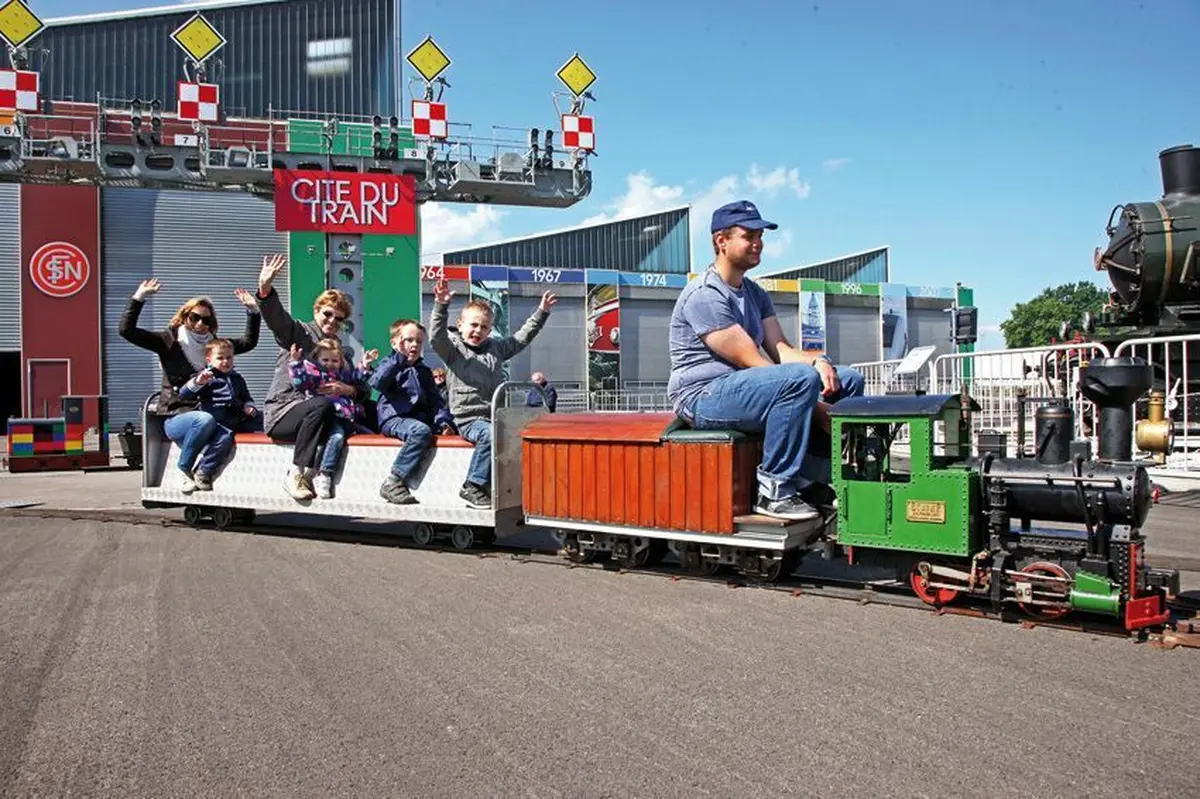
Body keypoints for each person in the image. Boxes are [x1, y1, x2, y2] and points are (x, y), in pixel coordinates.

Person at [666, 200, 865, 522]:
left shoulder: (755, 294)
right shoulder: (704, 294)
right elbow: (752, 360)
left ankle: (809, 478)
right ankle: (774, 491)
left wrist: (821, 362)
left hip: (746, 389)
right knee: (799, 379)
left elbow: (781, 349)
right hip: (703, 396)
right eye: (749, 235)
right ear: (721, 240)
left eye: (761, 236)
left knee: (847, 378)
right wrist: (815, 406)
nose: (758, 243)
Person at [118, 278, 261, 491]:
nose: (201, 324)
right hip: (178, 416)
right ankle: (184, 469)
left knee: (259, 418)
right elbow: (126, 331)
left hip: (214, 414)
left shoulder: (215, 348)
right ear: (185, 317)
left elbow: (248, 342)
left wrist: (253, 310)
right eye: (195, 318)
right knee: (204, 420)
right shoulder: (168, 341)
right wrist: (139, 297)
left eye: (207, 320)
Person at [430, 277, 557, 509]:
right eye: (473, 325)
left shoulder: (496, 349)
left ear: (490, 330)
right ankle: (472, 485)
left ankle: (524, 487)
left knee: (525, 436)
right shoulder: (453, 352)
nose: (478, 330)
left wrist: (541, 313)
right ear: (460, 325)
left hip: (495, 416)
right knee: (490, 435)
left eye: (484, 327)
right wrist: (440, 305)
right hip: (469, 419)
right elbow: (436, 336)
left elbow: (522, 337)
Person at [255, 253, 366, 500]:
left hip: (324, 416)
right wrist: (265, 290)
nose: (332, 321)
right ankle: (296, 472)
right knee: (322, 403)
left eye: (339, 319)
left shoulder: (340, 352)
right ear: (317, 311)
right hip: (285, 414)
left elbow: (360, 384)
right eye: (327, 314)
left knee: (366, 405)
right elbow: (277, 320)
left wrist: (349, 390)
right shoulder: (299, 333)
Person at [370, 319, 455, 505]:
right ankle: (393, 481)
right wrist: (398, 359)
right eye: (408, 340)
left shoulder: (424, 370)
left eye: (418, 341)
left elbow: (435, 401)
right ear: (394, 343)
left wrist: (443, 421)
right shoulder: (389, 364)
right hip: (394, 418)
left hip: (418, 420)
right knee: (421, 431)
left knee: (443, 429)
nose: (414, 345)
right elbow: (377, 382)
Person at [287, 338, 376, 499]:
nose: (330, 364)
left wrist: (365, 364)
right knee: (337, 436)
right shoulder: (315, 375)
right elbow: (300, 382)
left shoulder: (342, 374)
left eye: (334, 360)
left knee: (368, 435)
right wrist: (295, 363)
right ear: (317, 359)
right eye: (325, 360)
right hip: (331, 417)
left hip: (347, 417)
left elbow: (357, 378)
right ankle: (324, 473)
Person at [177, 338, 259, 490]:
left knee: (262, 420)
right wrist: (198, 382)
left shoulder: (237, 378)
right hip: (218, 420)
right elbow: (184, 394)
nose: (225, 361)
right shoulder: (207, 377)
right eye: (220, 358)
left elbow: (246, 397)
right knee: (224, 439)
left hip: (237, 416)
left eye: (229, 357)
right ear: (209, 360)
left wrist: (249, 406)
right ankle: (203, 470)